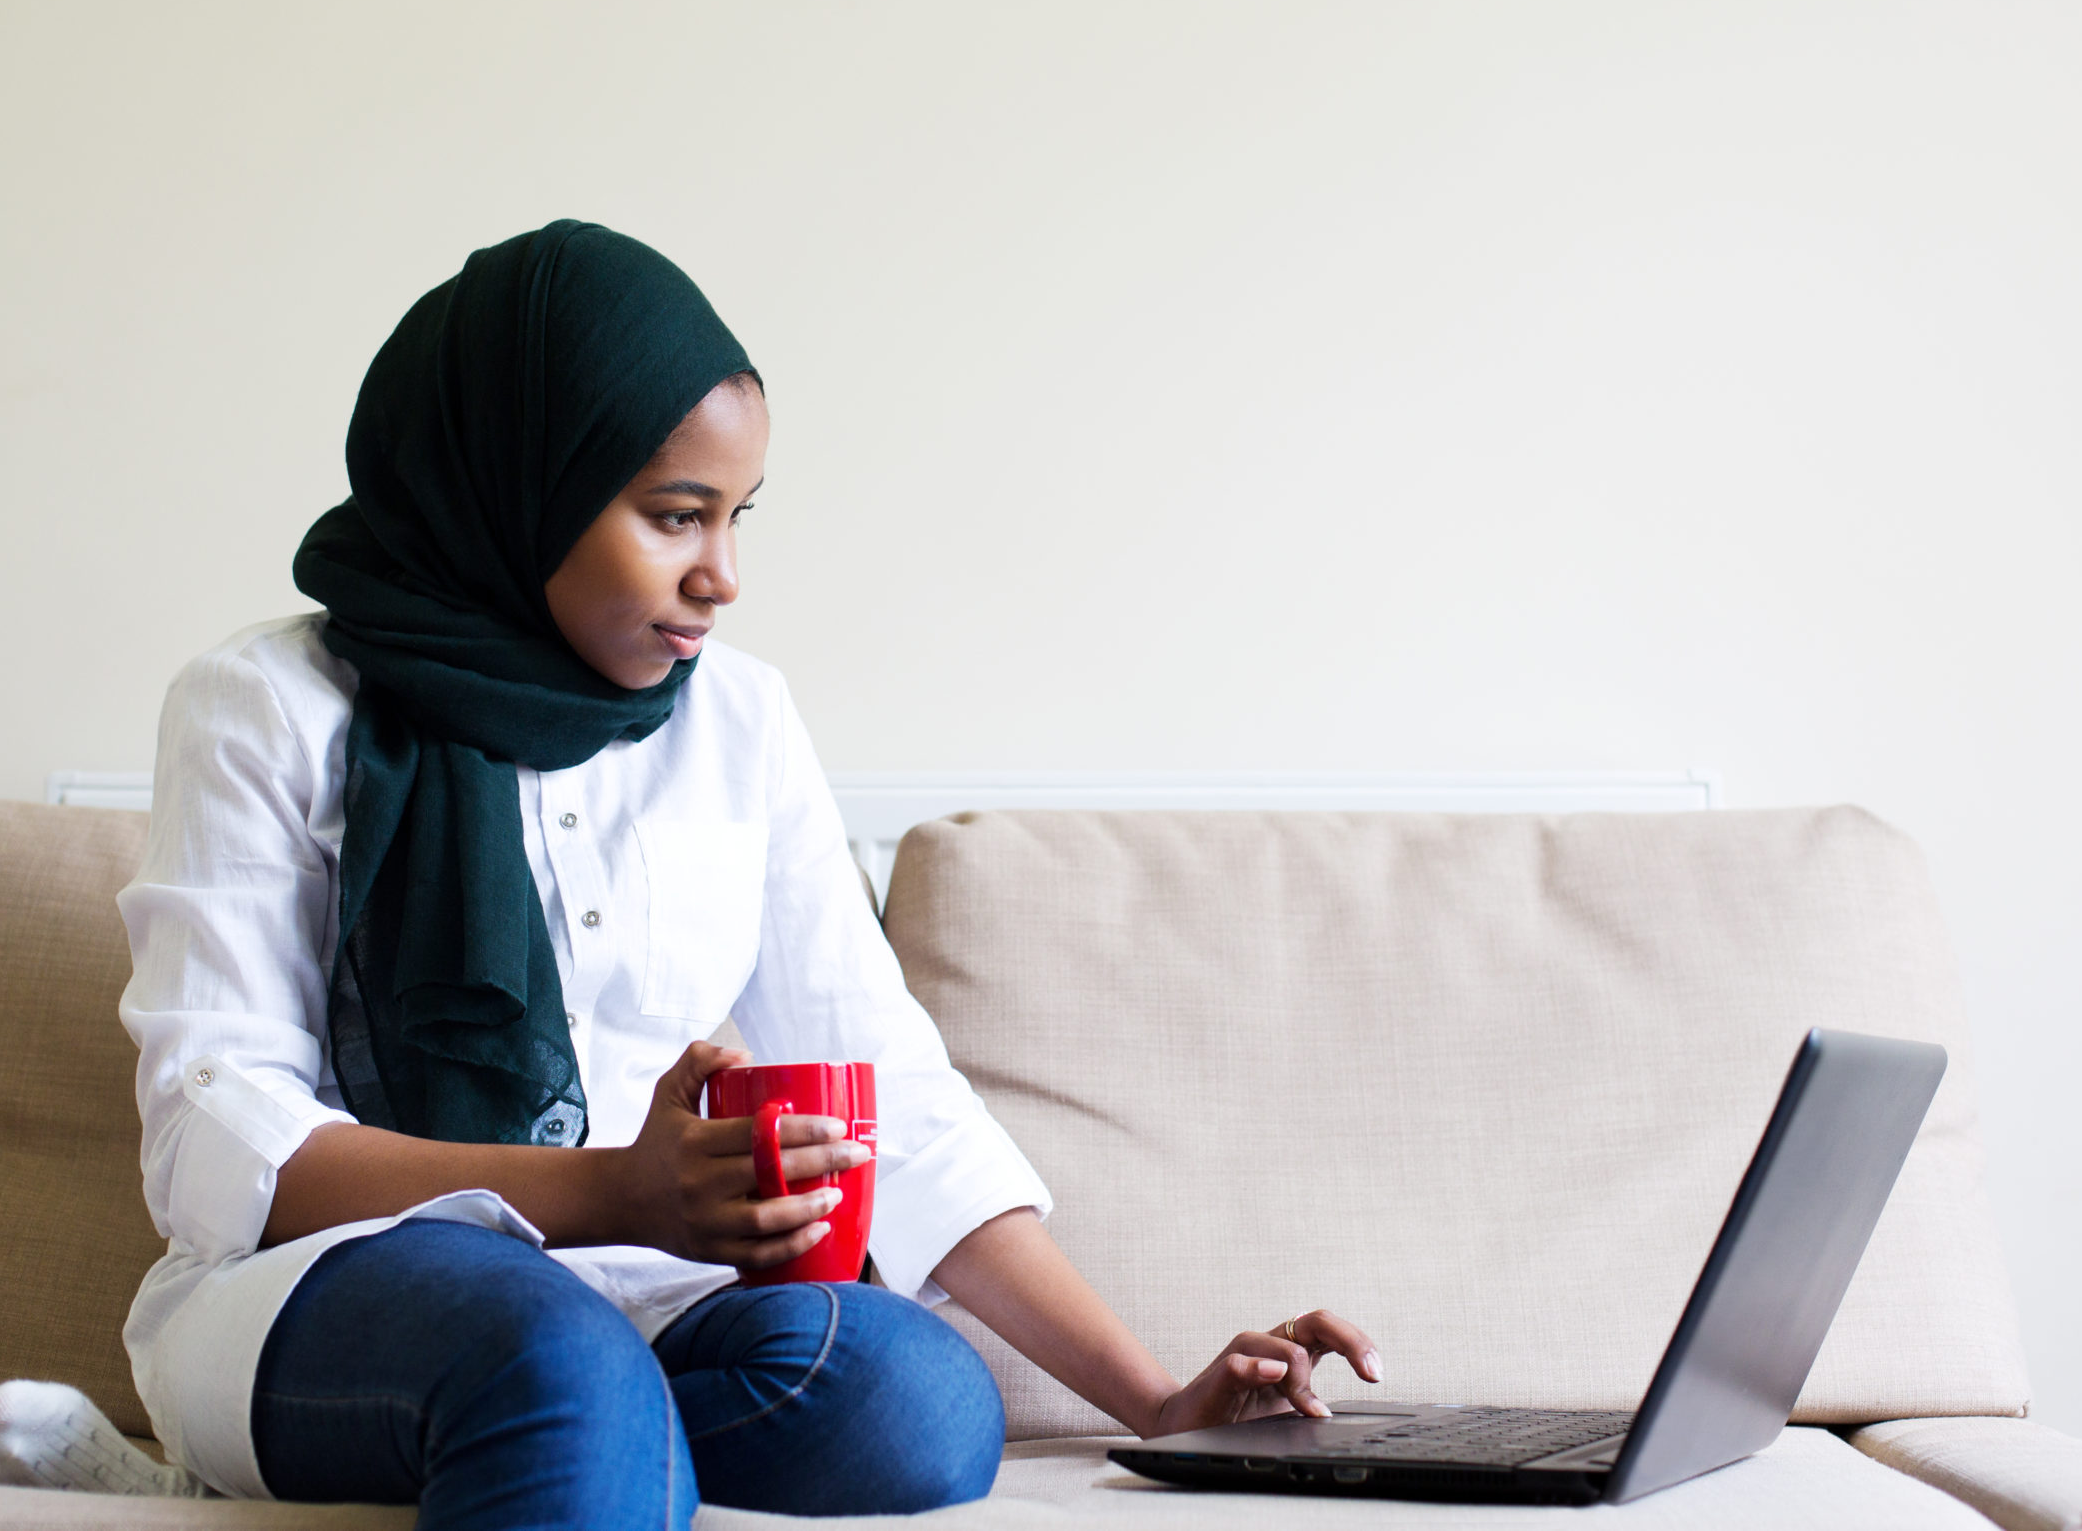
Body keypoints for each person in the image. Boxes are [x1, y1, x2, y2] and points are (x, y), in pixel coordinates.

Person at [81, 222, 1377, 1528]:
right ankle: (544, 1420)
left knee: (907, 1395)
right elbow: (212, 1138)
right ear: (515, 485)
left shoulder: (738, 721)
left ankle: (568, 1440)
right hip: (329, 1295)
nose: (725, 574)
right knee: (552, 1357)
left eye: (738, 515)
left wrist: (1158, 1401)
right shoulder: (266, 706)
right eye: (673, 514)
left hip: (659, 1304)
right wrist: (610, 1190)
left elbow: (892, 1099)